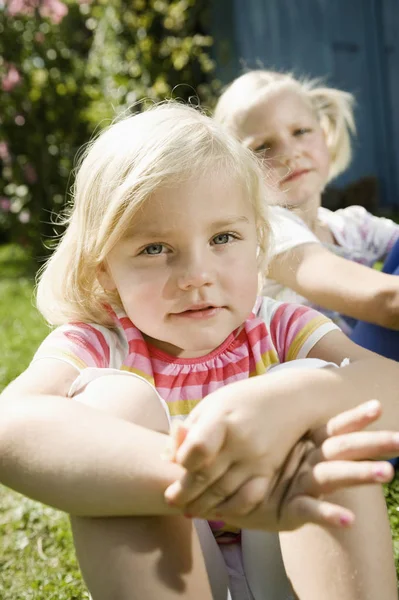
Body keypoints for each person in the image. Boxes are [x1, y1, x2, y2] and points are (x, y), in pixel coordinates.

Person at [1, 103, 399, 600]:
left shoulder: (278, 327)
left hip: (294, 568)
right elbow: (10, 425)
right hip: (177, 576)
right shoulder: (100, 343)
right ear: (104, 270)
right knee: (111, 406)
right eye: (154, 248)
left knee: (316, 384)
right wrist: (209, 479)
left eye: (223, 237)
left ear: (258, 242)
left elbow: (390, 387)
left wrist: (292, 400)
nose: (197, 274)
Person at [213, 70, 399, 361]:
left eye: (300, 132)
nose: (289, 153)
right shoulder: (266, 233)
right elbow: (388, 302)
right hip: (332, 385)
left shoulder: (352, 226)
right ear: (236, 171)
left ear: (325, 136)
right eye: (263, 146)